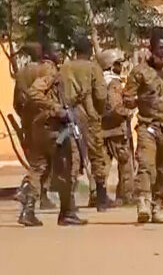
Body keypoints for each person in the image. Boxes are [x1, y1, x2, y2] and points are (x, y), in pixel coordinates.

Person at [19, 41, 88, 227]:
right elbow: (35, 92)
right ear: (48, 54)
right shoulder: (50, 71)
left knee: (38, 168)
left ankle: (28, 211)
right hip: (53, 128)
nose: (61, 54)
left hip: (36, 126)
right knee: (67, 169)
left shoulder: (28, 70)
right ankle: (67, 212)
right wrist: (57, 109)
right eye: (58, 50)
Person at [124, 32, 163, 223]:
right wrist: (137, 100)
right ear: (151, 49)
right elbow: (127, 99)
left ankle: (158, 203)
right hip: (147, 125)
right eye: (160, 48)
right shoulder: (139, 72)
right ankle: (143, 201)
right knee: (146, 165)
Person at [61, 36, 109, 211]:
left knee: (73, 157)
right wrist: (100, 110)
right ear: (89, 52)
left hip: (69, 116)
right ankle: (101, 198)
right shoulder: (93, 68)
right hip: (90, 116)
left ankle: (69, 201)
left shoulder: (65, 68)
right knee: (97, 156)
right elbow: (101, 94)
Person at [13, 42, 58, 210]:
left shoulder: (21, 73)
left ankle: (34, 193)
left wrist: (24, 116)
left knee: (36, 160)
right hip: (45, 119)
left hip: (28, 120)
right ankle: (36, 192)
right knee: (48, 159)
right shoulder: (46, 70)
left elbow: (16, 101)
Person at [98, 49, 136, 206]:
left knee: (102, 165)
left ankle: (98, 195)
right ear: (111, 65)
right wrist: (128, 112)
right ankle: (126, 196)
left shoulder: (100, 81)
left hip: (102, 130)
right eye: (119, 64)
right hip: (117, 131)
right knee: (126, 164)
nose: (121, 67)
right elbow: (115, 106)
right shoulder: (113, 83)